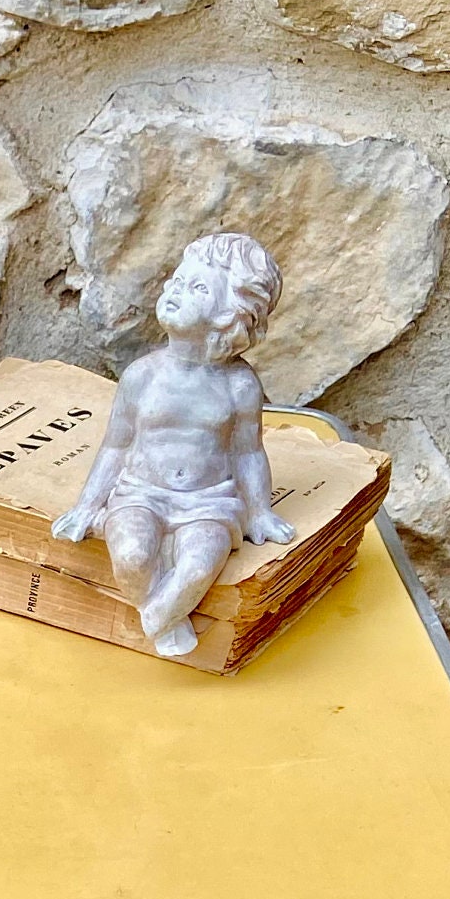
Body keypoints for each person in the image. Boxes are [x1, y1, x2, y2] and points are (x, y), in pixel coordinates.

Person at [51, 233, 293, 659]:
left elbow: (248, 453)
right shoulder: (142, 375)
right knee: (130, 555)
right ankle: (169, 617)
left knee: (200, 567)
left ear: (228, 315)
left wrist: (259, 512)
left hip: (209, 502)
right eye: (178, 280)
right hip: (139, 492)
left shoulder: (239, 385)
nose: (176, 291)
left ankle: (154, 619)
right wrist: (88, 505)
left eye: (198, 288)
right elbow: (116, 446)